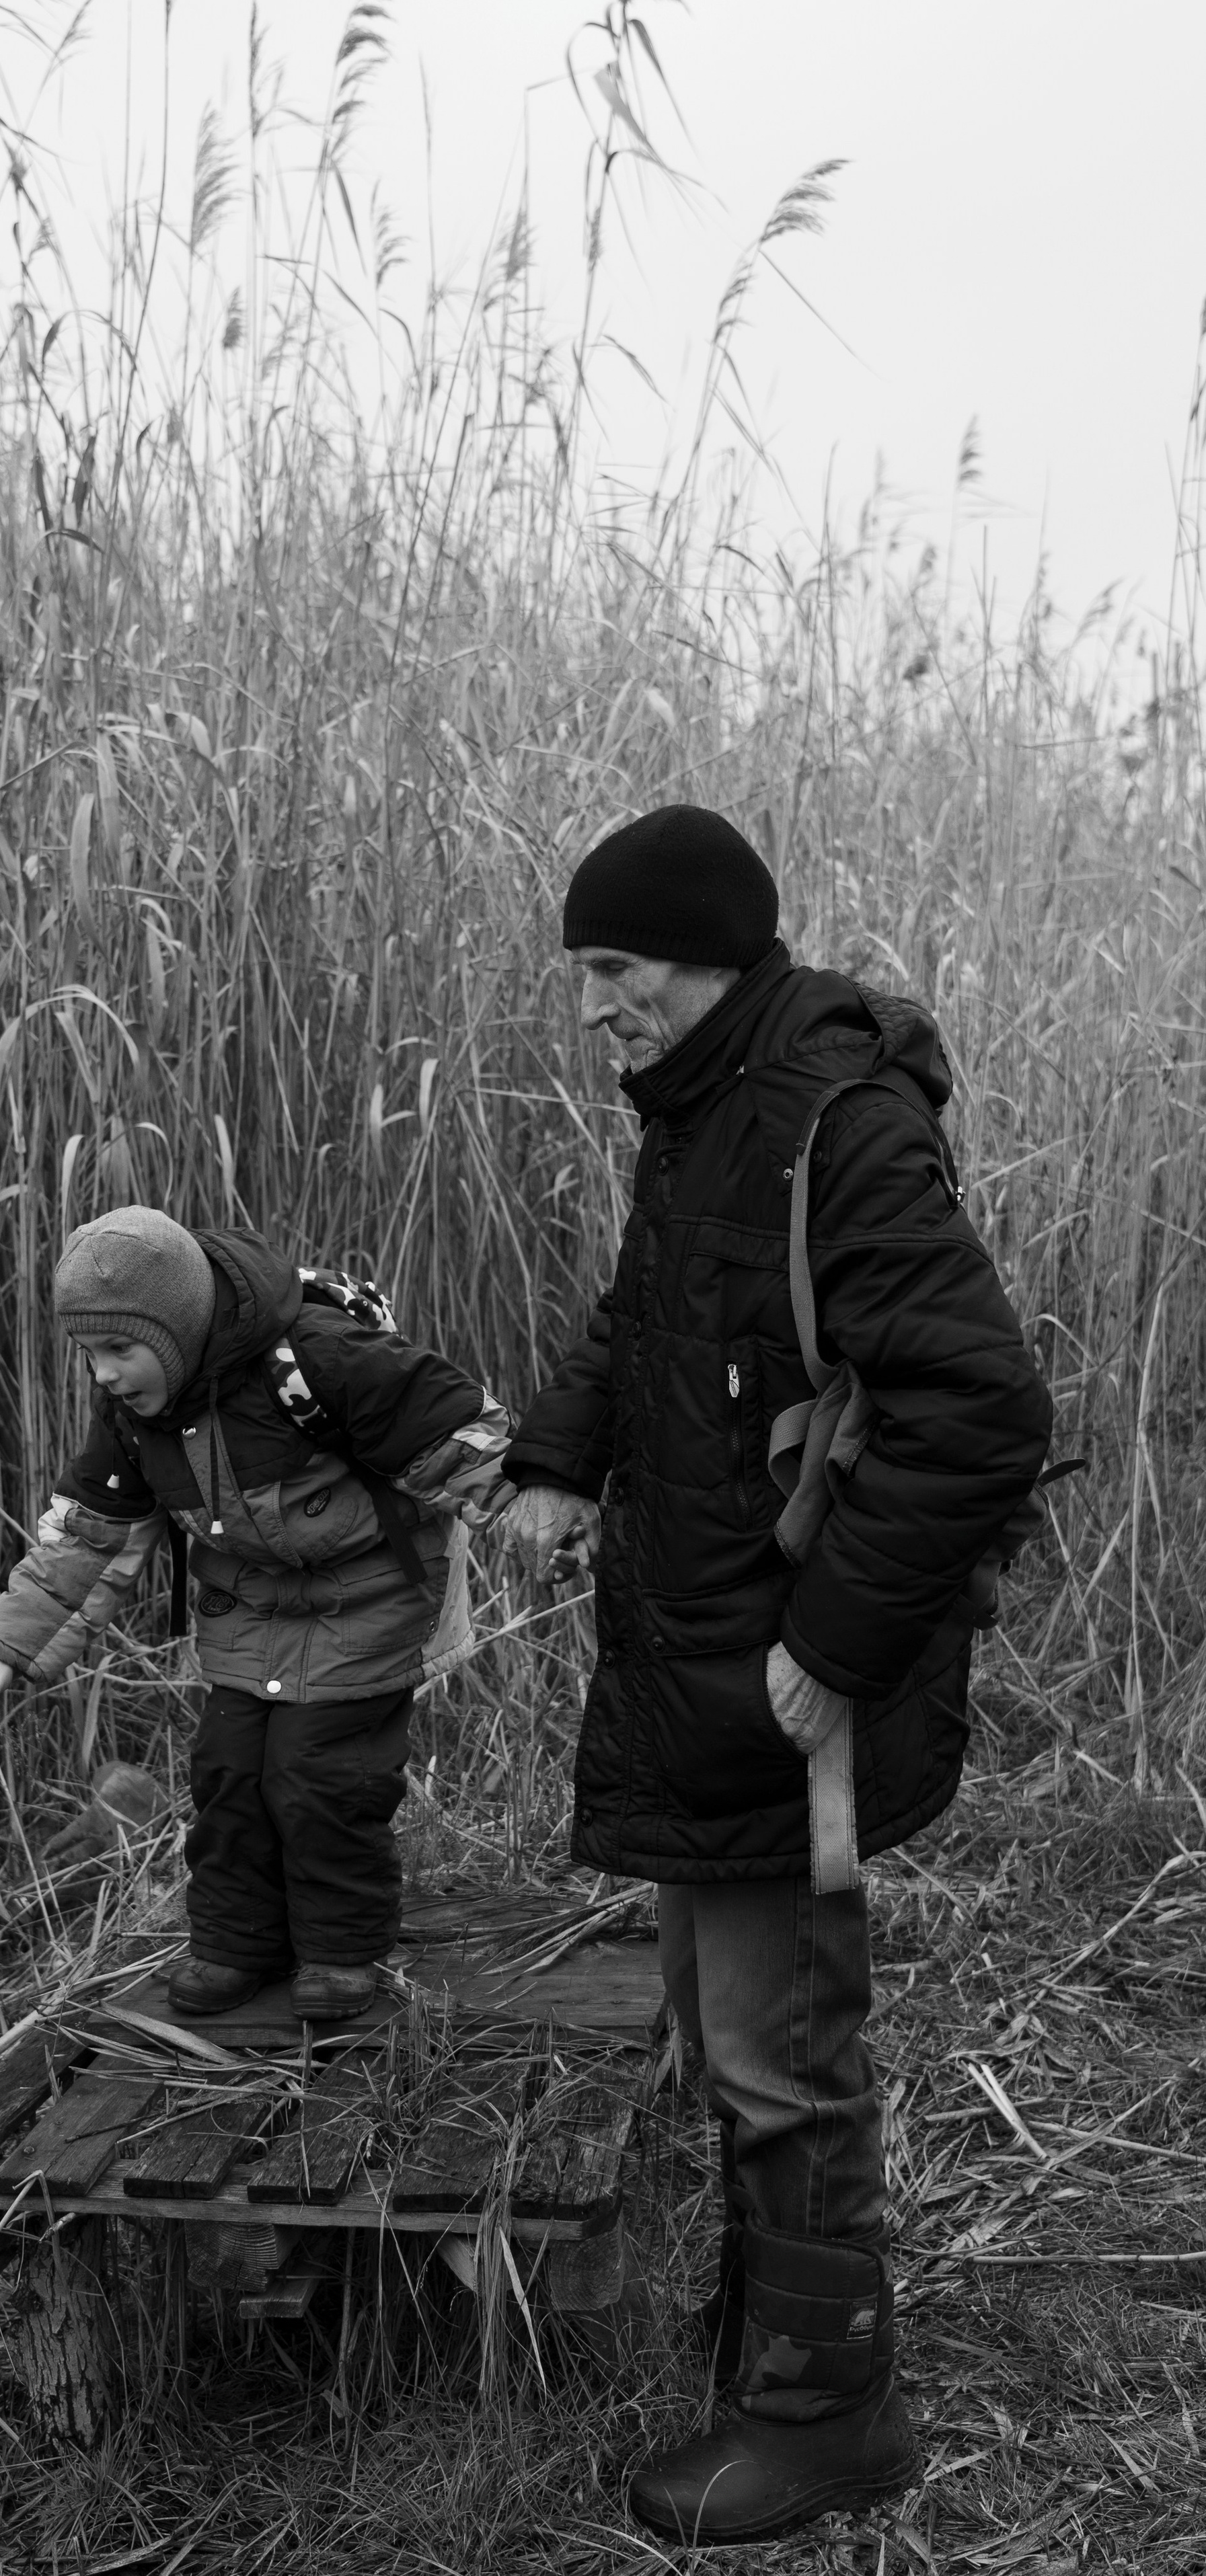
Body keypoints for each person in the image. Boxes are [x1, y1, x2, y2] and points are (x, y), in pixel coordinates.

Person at [498, 805, 1052, 2543]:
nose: (592, 1007)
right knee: (728, 2018)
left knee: (783, 2042)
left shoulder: (835, 1125)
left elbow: (984, 1414)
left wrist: (827, 1654)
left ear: (711, 955)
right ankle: (773, 2335)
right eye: (580, 974)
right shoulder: (701, 1115)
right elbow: (648, 1311)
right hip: (705, 1673)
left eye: (617, 970)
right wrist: (555, 1460)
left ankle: (830, 2419)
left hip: (789, 1691)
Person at [0, 1209, 509, 2021]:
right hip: (249, 1607)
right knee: (230, 1773)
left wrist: (546, 1512)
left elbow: (465, 1436)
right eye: (89, 1354)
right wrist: (8, 1648)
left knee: (318, 1777)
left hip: (370, 1597)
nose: (104, 1374)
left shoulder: (318, 1359)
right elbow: (90, 1539)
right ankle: (237, 1942)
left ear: (177, 1332)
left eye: (121, 1349)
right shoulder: (137, 1414)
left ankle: (339, 1951)